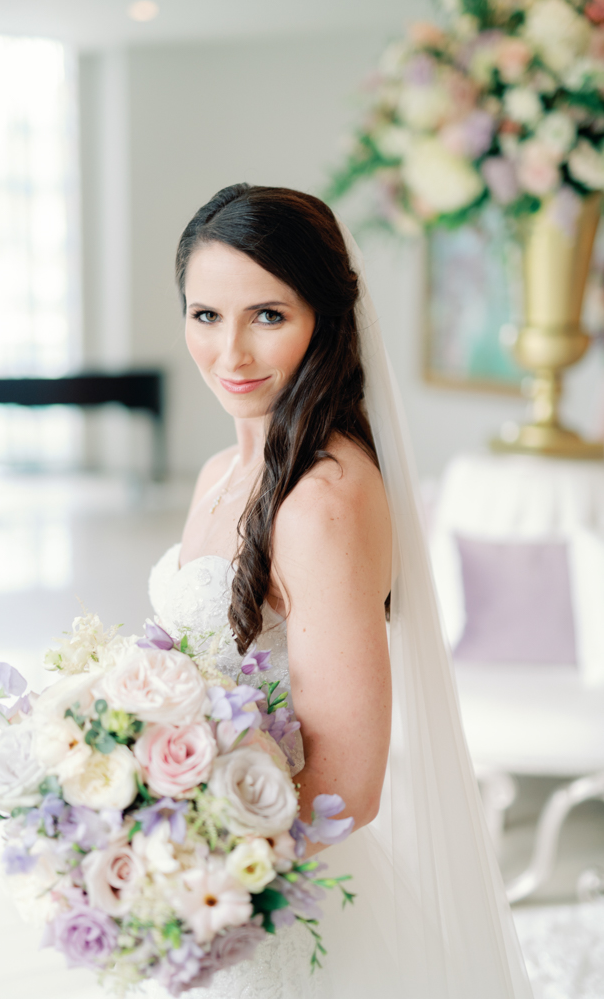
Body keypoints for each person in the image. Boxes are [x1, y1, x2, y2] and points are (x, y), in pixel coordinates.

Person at [148, 184, 533, 998]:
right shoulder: (222, 472)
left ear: (325, 316)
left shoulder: (322, 498)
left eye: (268, 316)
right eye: (206, 315)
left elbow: (346, 791)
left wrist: (182, 874)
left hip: (263, 899)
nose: (231, 355)